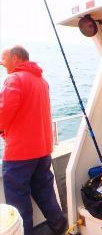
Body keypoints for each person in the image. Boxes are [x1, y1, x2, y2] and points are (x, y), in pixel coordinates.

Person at [0, 46, 67, 235]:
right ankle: (60, 225)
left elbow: (2, 112)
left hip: (20, 153)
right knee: (44, 191)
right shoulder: (41, 81)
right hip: (42, 149)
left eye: (3, 58)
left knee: (18, 199)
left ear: (15, 58)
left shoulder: (14, 79)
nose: (1, 62)